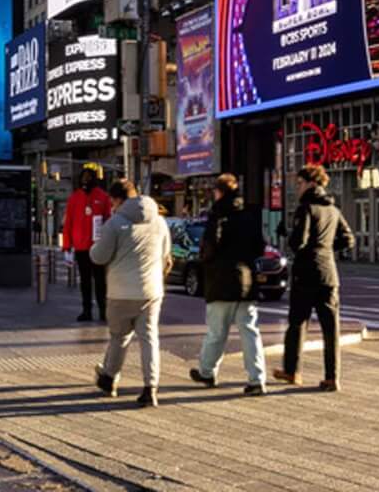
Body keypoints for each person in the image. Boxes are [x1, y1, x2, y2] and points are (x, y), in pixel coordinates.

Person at [90, 176, 171, 408]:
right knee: (149, 338)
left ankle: (108, 379)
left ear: (117, 199)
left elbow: (99, 256)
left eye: (112, 202)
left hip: (120, 292)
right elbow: (166, 255)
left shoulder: (114, 224)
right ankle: (150, 389)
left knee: (119, 337)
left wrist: (96, 245)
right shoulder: (159, 221)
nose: (112, 207)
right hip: (151, 290)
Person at [189, 174, 266, 397]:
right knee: (250, 332)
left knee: (216, 332)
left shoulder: (218, 215)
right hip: (245, 281)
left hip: (221, 281)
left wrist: (206, 259)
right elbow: (259, 247)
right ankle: (257, 379)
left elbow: (210, 247)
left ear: (219, 192)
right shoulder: (249, 215)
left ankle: (207, 372)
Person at [279, 163, 352, 394]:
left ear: (311, 183)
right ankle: (332, 377)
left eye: (299, 183)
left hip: (306, 274)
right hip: (329, 274)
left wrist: (293, 239)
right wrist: (327, 248)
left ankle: (292, 371)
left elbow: (298, 242)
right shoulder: (333, 209)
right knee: (331, 328)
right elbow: (348, 239)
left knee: (297, 324)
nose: (297, 188)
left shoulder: (306, 208)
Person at [62, 164, 113, 324]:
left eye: (88, 177)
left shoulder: (103, 197)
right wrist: (67, 245)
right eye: (83, 178)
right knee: (84, 281)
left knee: (100, 281)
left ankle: (103, 310)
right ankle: (86, 310)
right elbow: (68, 223)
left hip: (97, 246)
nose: (86, 180)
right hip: (81, 247)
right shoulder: (74, 198)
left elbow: (108, 220)